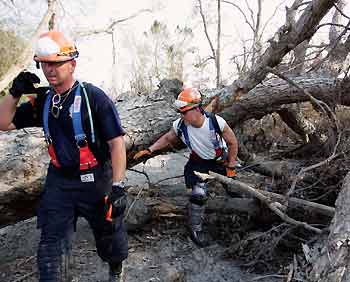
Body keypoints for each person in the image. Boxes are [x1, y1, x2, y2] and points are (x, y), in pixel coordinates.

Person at [0, 30, 128, 282]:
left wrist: (118, 185)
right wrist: (14, 93)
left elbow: (116, 144)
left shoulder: (95, 98)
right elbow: (3, 123)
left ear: (72, 64)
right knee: (51, 247)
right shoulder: (44, 101)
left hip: (96, 179)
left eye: (56, 63)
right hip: (59, 182)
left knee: (109, 234)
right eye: (44, 63)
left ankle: (116, 267)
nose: (49, 69)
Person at [133, 87, 238, 247]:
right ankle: (195, 230)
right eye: (180, 112)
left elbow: (232, 142)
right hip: (197, 163)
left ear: (196, 109)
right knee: (198, 194)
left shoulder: (216, 122)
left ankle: (239, 216)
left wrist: (231, 166)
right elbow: (168, 137)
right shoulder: (180, 125)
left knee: (234, 189)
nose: (182, 115)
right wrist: (150, 150)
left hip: (220, 161)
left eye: (184, 112)